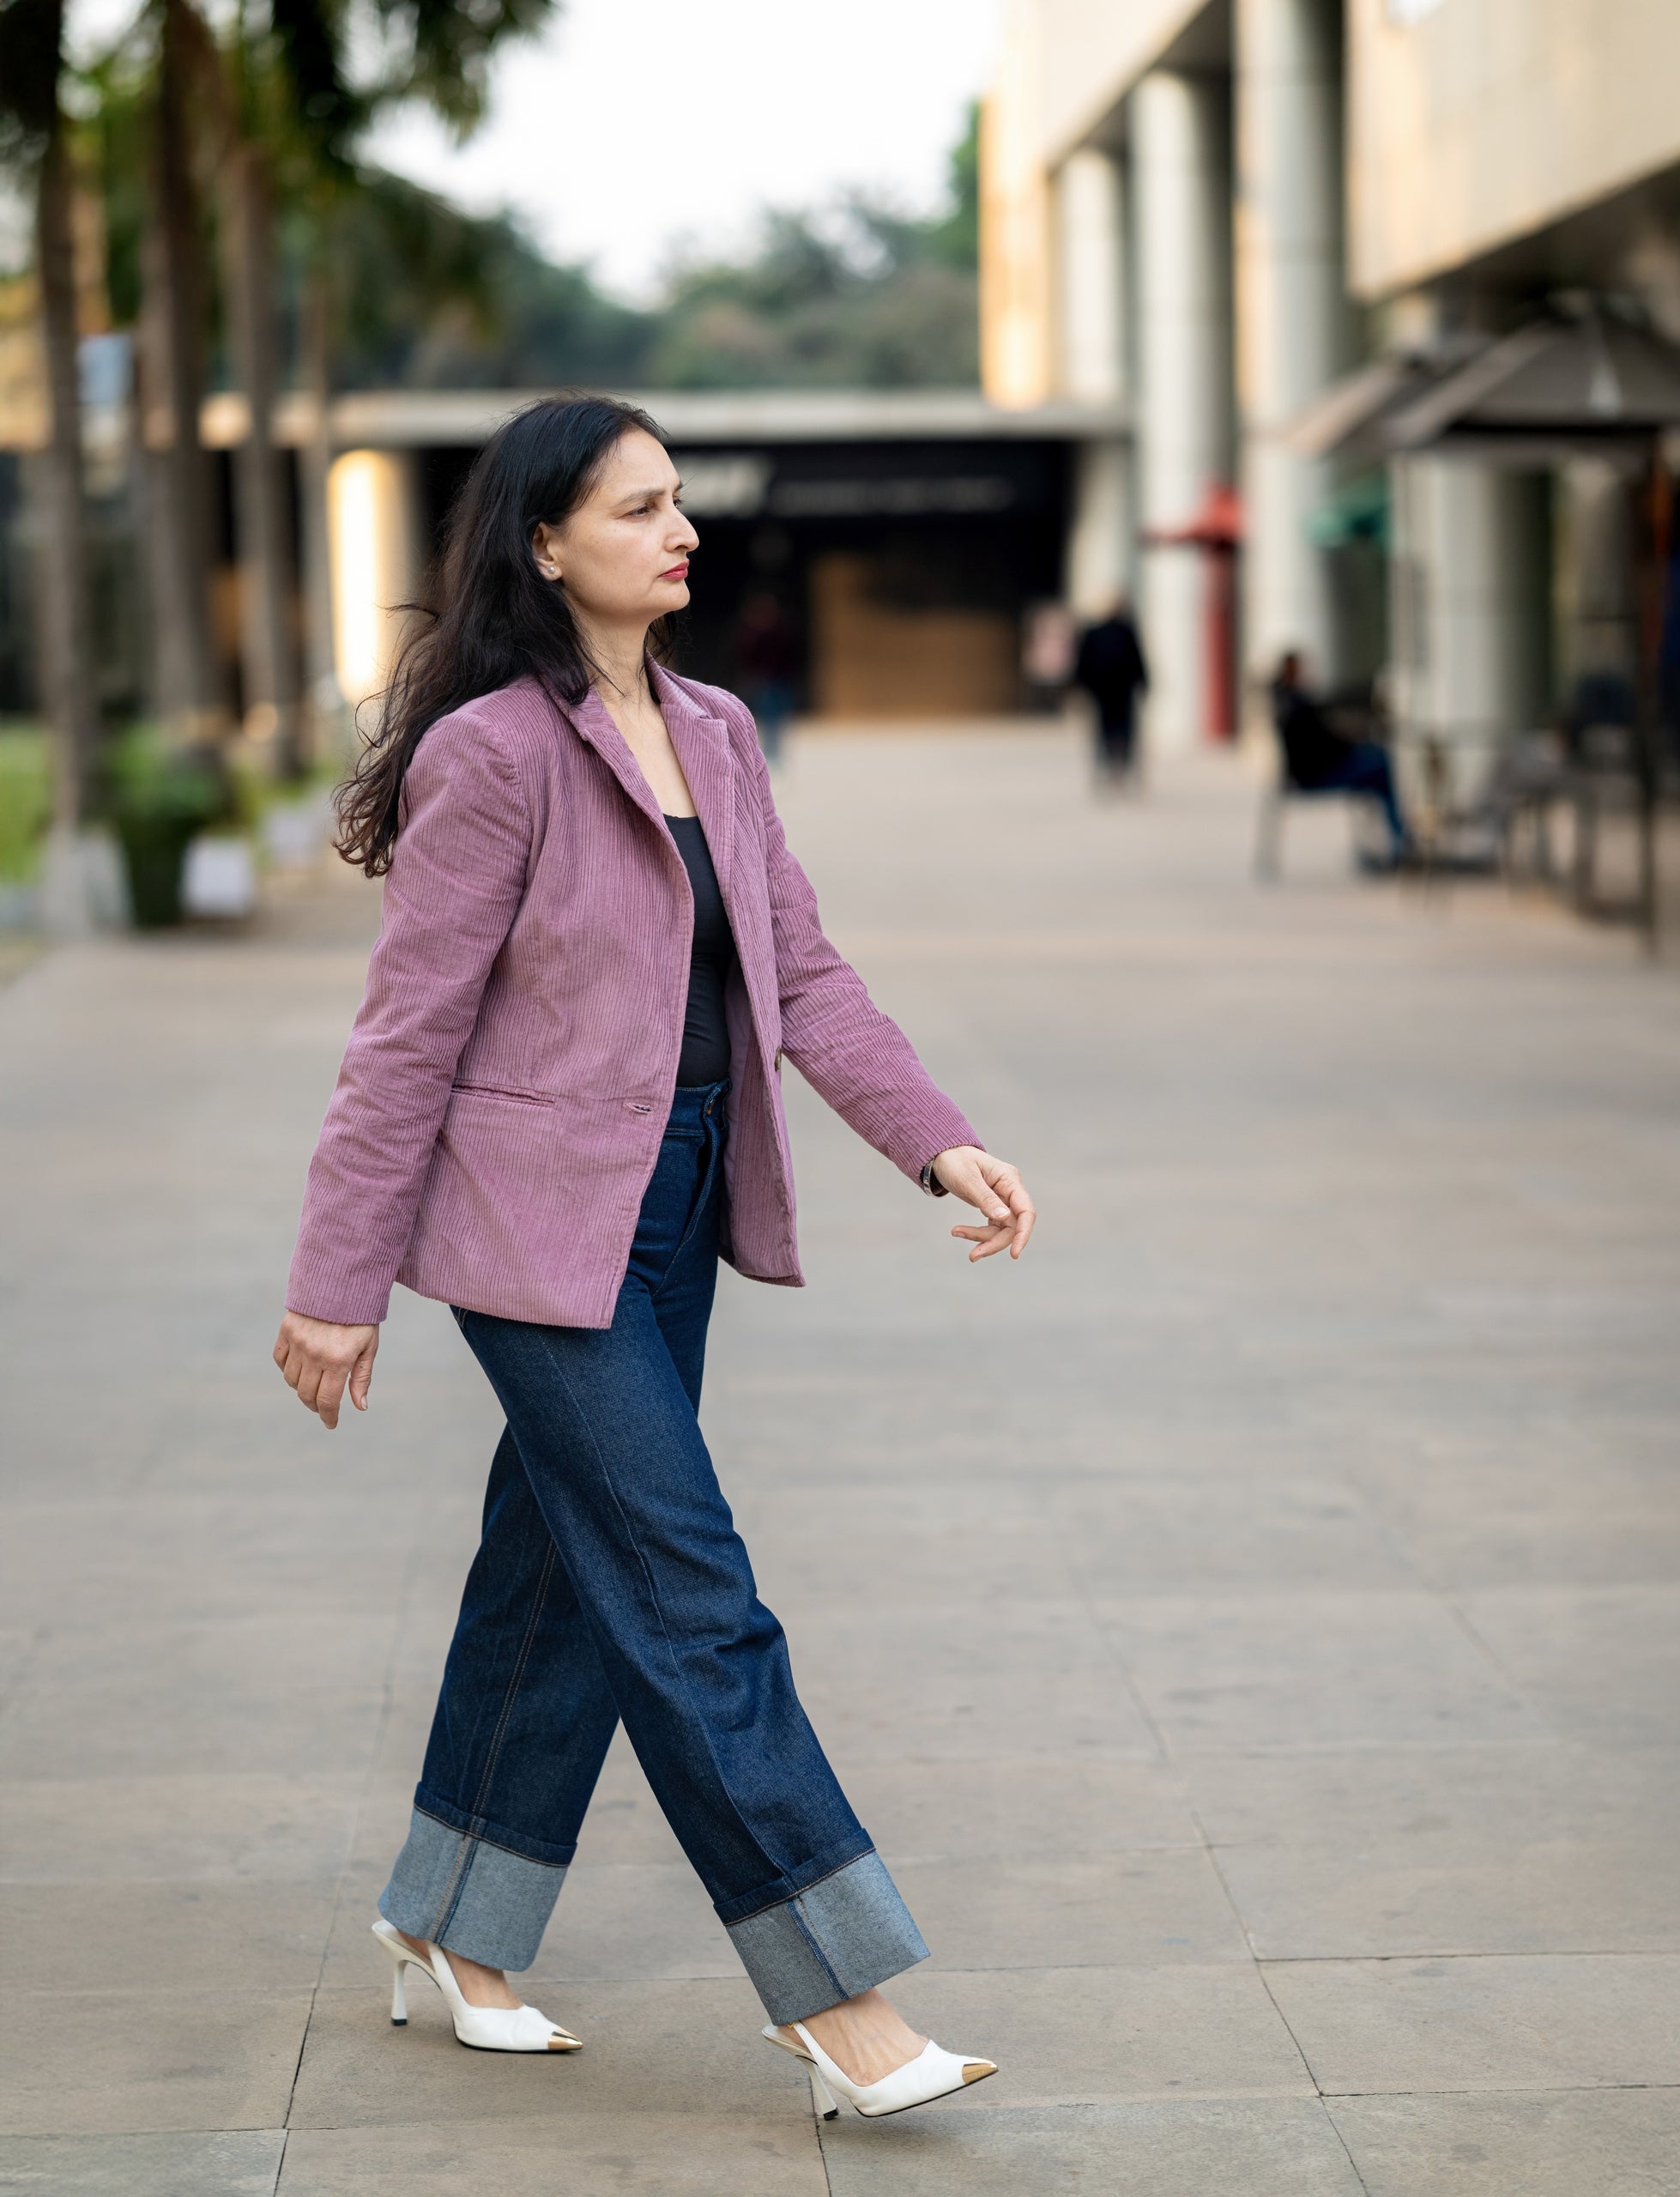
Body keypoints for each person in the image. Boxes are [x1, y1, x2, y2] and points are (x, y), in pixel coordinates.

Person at [272, 396, 1036, 2121]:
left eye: (680, 501)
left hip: (676, 1197)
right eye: (638, 507)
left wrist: (934, 1134)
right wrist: (337, 1277)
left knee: (551, 1566)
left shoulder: (716, 727)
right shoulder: (495, 752)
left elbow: (804, 971)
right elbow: (403, 1040)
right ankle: (838, 1996)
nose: (679, 529)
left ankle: (448, 1921)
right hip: (536, 1224)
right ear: (547, 543)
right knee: (692, 1593)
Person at [1268, 649, 1409, 862]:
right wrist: (1349, 744)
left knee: (1376, 764)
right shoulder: (1295, 705)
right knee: (1379, 765)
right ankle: (1399, 842)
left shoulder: (1286, 700)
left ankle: (1395, 841)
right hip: (1312, 776)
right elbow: (1321, 743)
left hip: (1311, 771)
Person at [1073, 601, 1148, 789]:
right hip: (1112, 691)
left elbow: (1136, 659)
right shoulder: (1119, 632)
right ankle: (1113, 767)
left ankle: (1114, 767)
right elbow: (1084, 661)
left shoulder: (1111, 633)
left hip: (1108, 691)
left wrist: (1079, 686)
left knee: (1111, 730)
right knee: (1116, 730)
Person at [732, 590, 801, 763]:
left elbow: (790, 654)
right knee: (760, 717)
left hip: (778, 679)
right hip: (760, 679)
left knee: (776, 718)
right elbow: (743, 655)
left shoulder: (780, 630)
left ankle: (773, 754)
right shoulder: (750, 632)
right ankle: (763, 754)